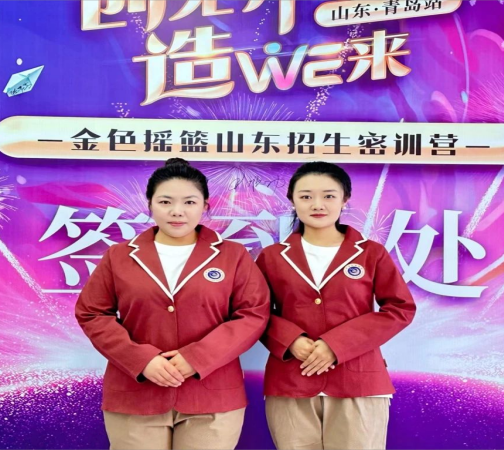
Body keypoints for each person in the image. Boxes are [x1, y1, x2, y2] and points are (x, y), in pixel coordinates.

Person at [75, 158, 270, 450]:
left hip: (211, 395)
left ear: (205, 206)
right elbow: (92, 313)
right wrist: (141, 360)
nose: (177, 211)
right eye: (165, 202)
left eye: (189, 202)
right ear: (150, 205)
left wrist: (197, 357)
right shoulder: (119, 256)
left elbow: (253, 314)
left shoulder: (233, 255)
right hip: (136, 393)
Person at [256, 161, 416, 450]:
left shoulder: (370, 253)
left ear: (345, 200)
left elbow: (399, 308)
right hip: (292, 379)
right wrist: (289, 340)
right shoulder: (272, 257)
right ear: (292, 200)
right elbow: (253, 313)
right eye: (306, 196)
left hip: (358, 381)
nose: (317, 204)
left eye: (329, 196)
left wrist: (337, 344)